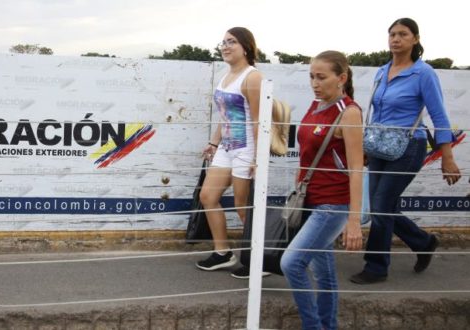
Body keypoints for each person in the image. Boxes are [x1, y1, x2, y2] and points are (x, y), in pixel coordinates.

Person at [350, 18, 462, 285]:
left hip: (408, 146)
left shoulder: (423, 73)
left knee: (380, 207)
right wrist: (365, 147)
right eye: (392, 34)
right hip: (378, 145)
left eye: (402, 34)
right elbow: (375, 113)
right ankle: (423, 242)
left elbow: (439, 115)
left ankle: (376, 267)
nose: (395, 39)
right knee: (384, 207)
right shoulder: (381, 71)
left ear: (415, 39)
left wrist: (447, 156)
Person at [280, 50, 364, 330]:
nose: (315, 83)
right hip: (311, 201)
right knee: (324, 273)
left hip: (333, 205)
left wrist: (353, 222)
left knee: (291, 264)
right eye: (311, 77)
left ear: (341, 78)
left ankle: (313, 326)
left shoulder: (349, 113)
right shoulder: (315, 106)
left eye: (321, 77)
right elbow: (306, 151)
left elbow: (356, 169)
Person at [195, 27, 267, 277]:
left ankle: (264, 259)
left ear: (246, 46)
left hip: (245, 148)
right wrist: (214, 143)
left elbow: (259, 121)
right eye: (223, 42)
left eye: (232, 42)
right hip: (226, 148)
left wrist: (258, 158)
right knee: (208, 197)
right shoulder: (226, 76)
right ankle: (223, 253)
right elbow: (224, 116)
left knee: (242, 206)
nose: (225, 46)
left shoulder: (253, 77)